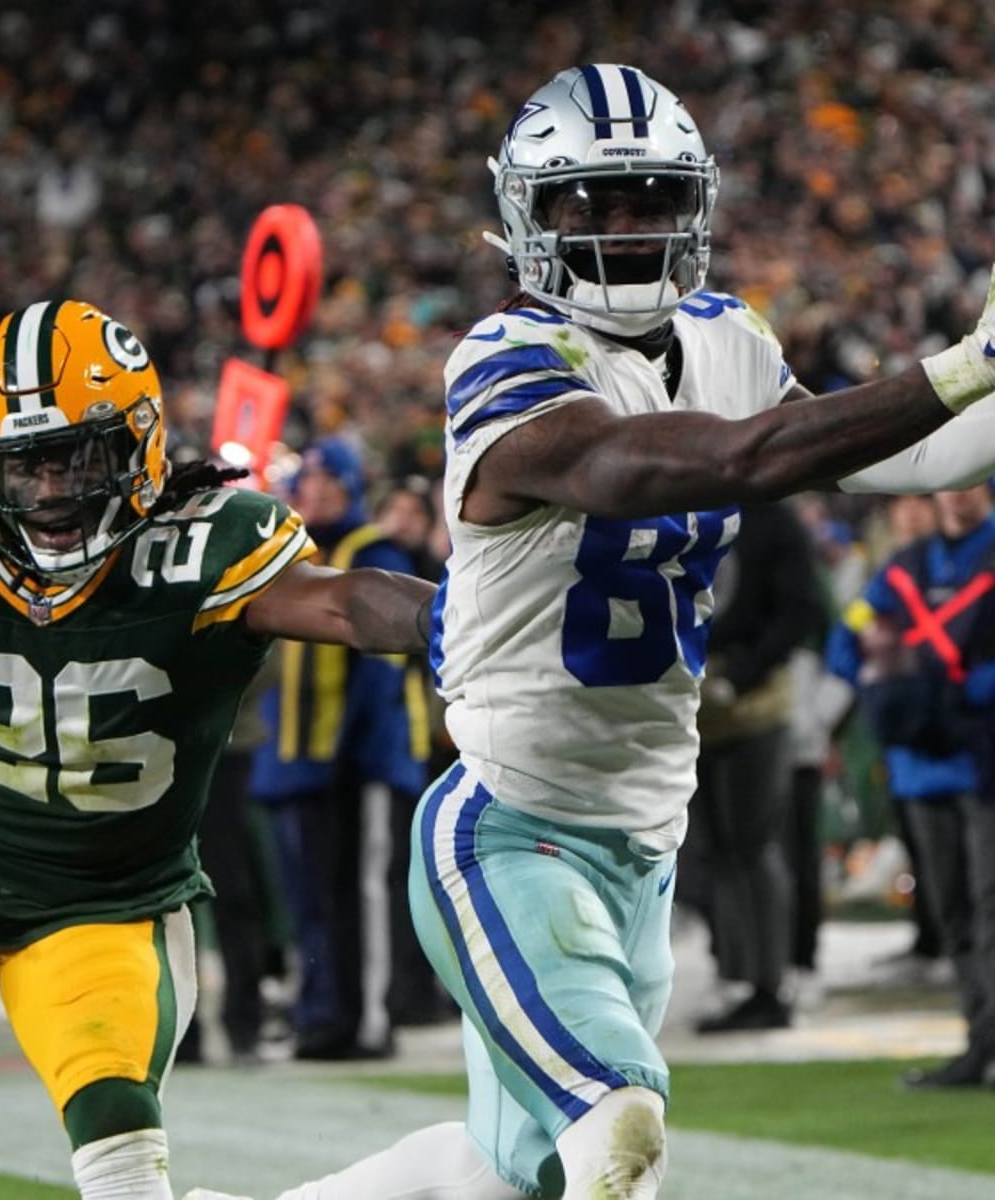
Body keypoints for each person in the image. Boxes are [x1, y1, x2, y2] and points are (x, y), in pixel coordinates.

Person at [187, 63, 995, 1200]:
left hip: (641, 839)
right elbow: (682, 462)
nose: (625, 228)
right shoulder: (508, 361)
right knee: (618, 1130)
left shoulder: (725, 335)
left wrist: (986, 390)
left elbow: (899, 456)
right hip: (512, 827)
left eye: (651, 199)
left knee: (499, 1173)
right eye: (591, 203)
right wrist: (962, 365)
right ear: (529, 215)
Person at [0, 299, 435, 1200]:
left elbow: (338, 599)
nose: (50, 491)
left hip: (102, 906)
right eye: (21, 466)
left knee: (122, 1161)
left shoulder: (202, 546)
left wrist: (442, 617)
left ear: (138, 444)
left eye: (73, 456)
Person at [250, 437, 432, 1059]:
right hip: (296, 759)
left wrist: (344, 749)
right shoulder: (288, 554)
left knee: (365, 891)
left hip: (358, 761)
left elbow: (382, 672)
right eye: (308, 479)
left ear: (351, 486)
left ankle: (372, 1019)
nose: (313, 490)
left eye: (328, 479)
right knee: (312, 898)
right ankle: (323, 1014)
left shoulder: (371, 552)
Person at [827, 482, 995, 1088]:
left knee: (989, 907)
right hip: (921, 762)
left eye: (969, 481)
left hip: (984, 763)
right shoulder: (903, 570)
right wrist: (888, 682)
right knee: (953, 911)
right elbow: (844, 642)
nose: (953, 497)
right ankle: (980, 1043)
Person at [682, 500, 822, 1033]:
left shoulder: (771, 518)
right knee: (718, 849)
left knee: (754, 844)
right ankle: (737, 976)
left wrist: (743, 671)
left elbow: (800, 610)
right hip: (696, 706)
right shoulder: (688, 511)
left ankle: (770, 982)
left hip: (755, 706)